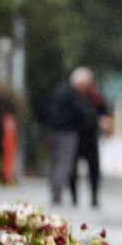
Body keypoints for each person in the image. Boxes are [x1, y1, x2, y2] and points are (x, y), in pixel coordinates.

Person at [46, 67, 96, 205]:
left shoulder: (60, 89)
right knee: (64, 164)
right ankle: (57, 194)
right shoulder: (72, 94)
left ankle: (55, 192)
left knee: (55, 163)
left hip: (54, 131)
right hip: (66, 133)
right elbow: (82, 112)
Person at [69, 81, 109, 208]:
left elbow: (104, 114)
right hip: (76, 138)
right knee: (72, 170)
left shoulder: (96, 98)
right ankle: (74, 197)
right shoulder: (74, 96)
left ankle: (94, 197)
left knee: (94, 169)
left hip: (91, 139)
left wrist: (104, 124)